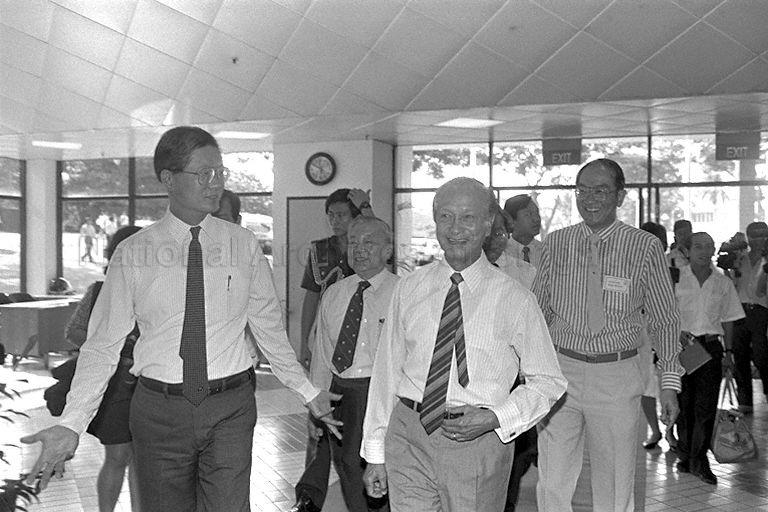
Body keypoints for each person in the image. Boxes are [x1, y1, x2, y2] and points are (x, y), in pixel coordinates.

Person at [21, 126, 341, 512]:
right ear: (168, 180)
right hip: (159, 412)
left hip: (230, 406)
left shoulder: (243, 245)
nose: (215, 184)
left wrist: (307, 391)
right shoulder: (133, 253)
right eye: (203, 174)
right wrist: (71, 423)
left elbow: (269, 330)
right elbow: (102, 346)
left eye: (220, 173)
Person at [361, 177, 566, 511]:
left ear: (488, 225)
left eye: (468, 218)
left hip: (477, 441)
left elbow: (549, 381)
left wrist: (498, 417)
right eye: (446, 217)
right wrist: (375, 453)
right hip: (409, 433)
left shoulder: (515, 298)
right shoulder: (410, 288)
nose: (455, 228)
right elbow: (387, 371)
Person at [533, 158, 682, 512]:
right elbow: (537, 313)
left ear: (620, 195)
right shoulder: (556, 243)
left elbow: (665, 318)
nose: (590, 198)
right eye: (582, 190)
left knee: (614, 482)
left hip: (617, 375)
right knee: (552, 479)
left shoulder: (644, 247)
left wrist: (669, 383)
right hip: (560, 373)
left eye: (600, 190)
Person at [309, 216, 397, 511]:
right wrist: (316, 402)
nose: (359, 249)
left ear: (388, 250)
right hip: (340, 393)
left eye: (369, 242)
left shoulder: (404, 293)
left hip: (382, 394)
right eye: (353, 242)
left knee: (383, 469)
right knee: (347, 466)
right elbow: (322, 354)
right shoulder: (335, 293)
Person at [293, 187, 372, 512]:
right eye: (331, 215)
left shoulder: (367, 247)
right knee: (318, 413)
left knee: (354, 423)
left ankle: (368, 484)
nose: (335, 221)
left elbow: (380, 234)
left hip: (362, 344)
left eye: (342, 214)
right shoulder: (319, 250)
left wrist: (365, 207)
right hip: (324, 338)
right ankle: (310, 494)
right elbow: (311, 297)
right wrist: (304, 344)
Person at [64, 225, 142, 512]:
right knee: (118, 455)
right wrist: (112, 346)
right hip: (113, 386)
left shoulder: (154, 288)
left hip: (148, 385)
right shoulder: (99, 290)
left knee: (139, 459)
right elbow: (73, 331)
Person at [674, 232, 743, 485]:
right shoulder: (675, 278)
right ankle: (685, 454)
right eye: (699, 246)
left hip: (711, 349)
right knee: (684, 404)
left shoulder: (722, 282)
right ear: (687, 251)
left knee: (705, 407)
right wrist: (675, 334)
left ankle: (699, 459)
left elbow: (729, 319)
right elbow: (662, 313)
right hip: (682, 348)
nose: (705, 251)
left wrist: (729, 353)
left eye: (709, 247)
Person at [728, 221, 768, 413]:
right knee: (740, 354)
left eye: (763, 235)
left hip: (761, 310)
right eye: (754, 236)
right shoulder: (740, 259)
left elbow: (761, 292)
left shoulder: (767, 259)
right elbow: (731, 285)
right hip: (739, 309)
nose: (759, 240)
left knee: (762, 356)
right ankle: (745, 402)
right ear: (748, 237)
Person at [496, 194, 542, 289]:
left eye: (537, 213)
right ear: (511, 220)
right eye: (528, 214)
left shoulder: (546, 251)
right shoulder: (500, 253)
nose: (536, 219)